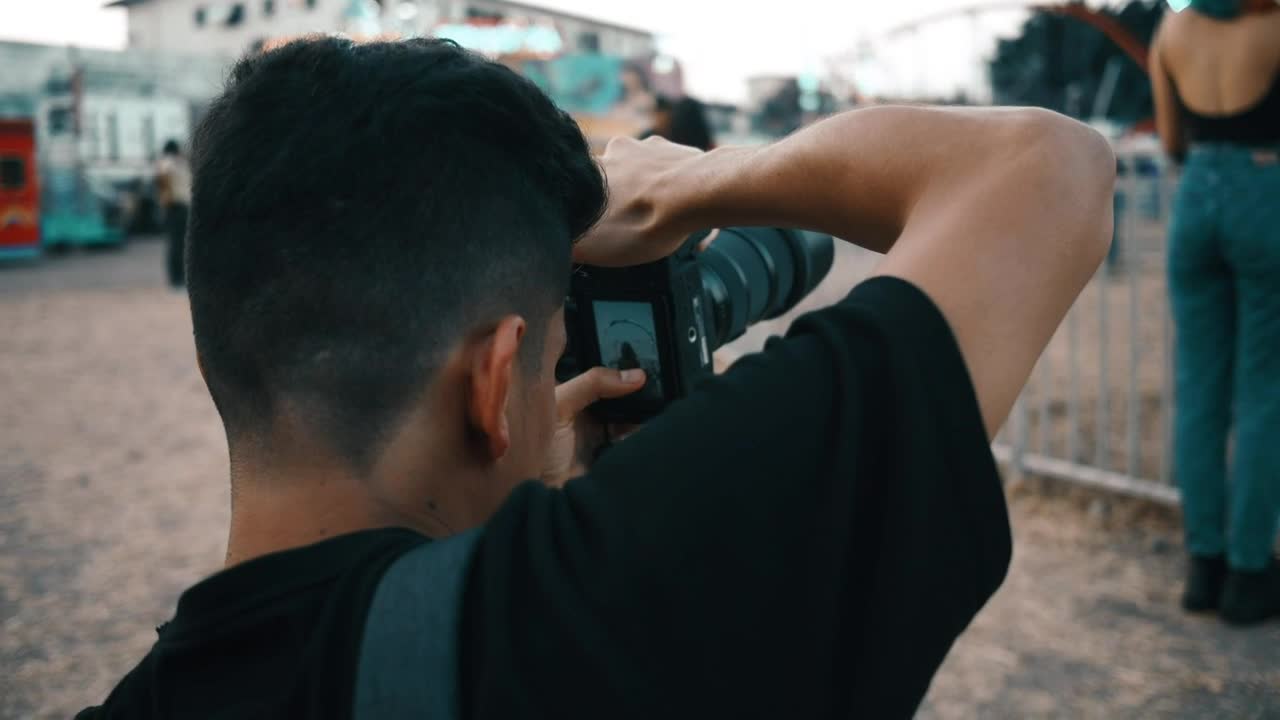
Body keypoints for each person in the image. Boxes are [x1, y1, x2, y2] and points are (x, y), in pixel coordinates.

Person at [78, 37, 1114, 719]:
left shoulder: (134, 701)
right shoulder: (592, 612)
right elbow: (1046, 173)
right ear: (491, 385)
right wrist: (692, 181)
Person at [1149, 0, 1280, 625]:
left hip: (1195, 200)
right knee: (1264, 393)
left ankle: (1205, 567)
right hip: (1267, 192)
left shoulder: (1173, 27)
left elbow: (1172, 139)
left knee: (1199, 391)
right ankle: (1251, 573)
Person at [155, 139, 192, 287]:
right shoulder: (168, 163)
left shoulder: (175, 163)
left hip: (177, 207)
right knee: (177, 244)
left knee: (178, 244)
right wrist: (167, 204)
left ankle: (178, 278)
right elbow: (164, 185)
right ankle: (176, 279)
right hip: (176, 207)